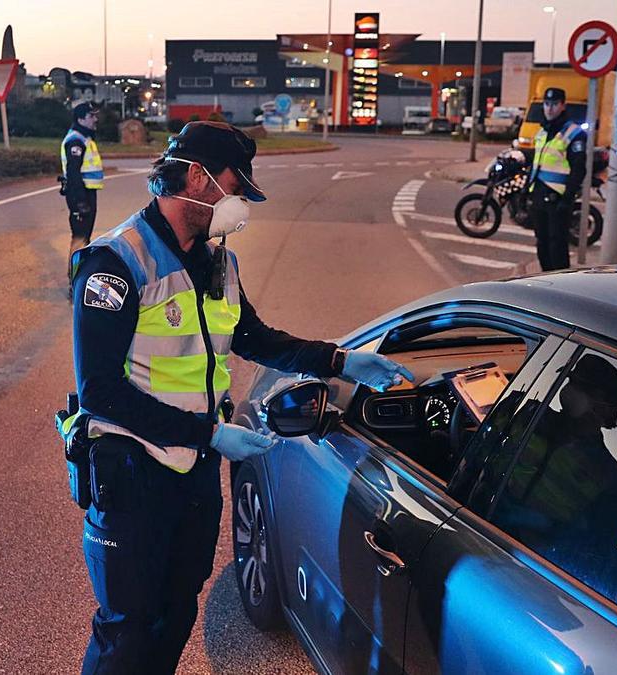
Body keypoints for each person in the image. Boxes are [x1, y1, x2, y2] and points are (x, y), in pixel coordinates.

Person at [67, 120, 415, 673]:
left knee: (177, 611)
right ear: (197, 178)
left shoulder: (218, 261)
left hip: (196, 473)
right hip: (134, 474)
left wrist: (341, 361)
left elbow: (255, 338)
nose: (239, 203)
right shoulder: (115, 264)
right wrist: (209, 433)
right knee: (127, 630)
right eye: (235, 187)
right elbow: (99, 392)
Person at [527, 87, 587, 271]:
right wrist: (526, 189)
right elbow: (536, 163)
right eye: (546, 104)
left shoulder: (574, 133)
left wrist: (567, 198)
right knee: (542, 243)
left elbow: (578, 169)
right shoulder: (542, 132)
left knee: (557, 245)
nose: (549, 108)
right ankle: (545, 281)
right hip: (539, 194)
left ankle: (559, 284)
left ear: (563, 105)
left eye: (554, 104)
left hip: (558, 198)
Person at [62, 101, 104, 282]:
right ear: (80, 119)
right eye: (91, 116)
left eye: (96, 115)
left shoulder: (85, 139)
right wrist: (80, 202)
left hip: (87, 193)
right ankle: (75, 282)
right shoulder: (75, 141)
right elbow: (73, 174)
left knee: (84, 238)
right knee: (79, 239)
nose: (95, 119)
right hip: (80, 195)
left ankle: (80, 278)